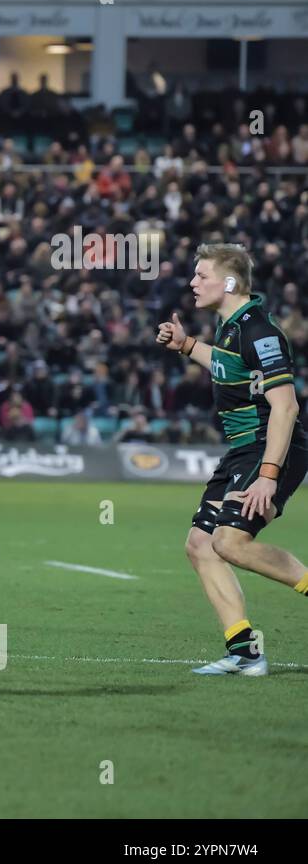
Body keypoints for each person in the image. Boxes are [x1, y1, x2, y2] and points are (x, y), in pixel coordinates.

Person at [155, 243, 308, 676]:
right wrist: (187, 345)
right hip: (243, 449)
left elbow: (286, 407)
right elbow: (228, 366)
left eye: (201, 275)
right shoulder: (231, 328)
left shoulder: (259, 331)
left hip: (269, 448)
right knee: (201, 545)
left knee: (229, 542)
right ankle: (244, 652)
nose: (192, 282)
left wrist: (267, 476)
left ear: (228, 282)